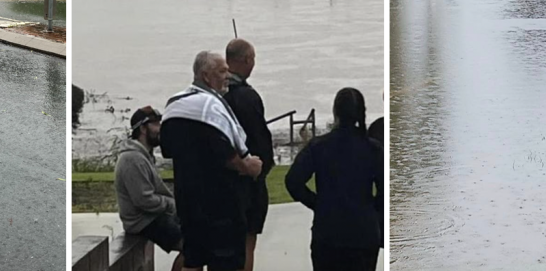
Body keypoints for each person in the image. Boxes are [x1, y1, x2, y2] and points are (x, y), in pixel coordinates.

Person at [160, 51, 263, 271]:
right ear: (206, 76)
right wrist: (251, 166)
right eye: (222, 71)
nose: (228, 75)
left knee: (193, 258)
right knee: (226, 261)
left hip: (187, 201)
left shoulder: (174, 105)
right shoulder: (211, 107)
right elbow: (230, 155)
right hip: (221, 205)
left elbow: (167, 150)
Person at [285, 88, 383, 271]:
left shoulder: (318, 146)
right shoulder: (373, 148)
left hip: (328, 232)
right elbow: (385, 190)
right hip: (364, 233)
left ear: (335, 112)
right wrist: (371, 209)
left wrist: (317, 203)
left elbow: (293, 181)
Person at [114, 106, 185, 271]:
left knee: (199, 233)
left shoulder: (143, 155)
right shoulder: (133, 159)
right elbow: (144, 200)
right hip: (143, 221)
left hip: (152, 216)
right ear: (143, 129)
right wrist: (171, 204)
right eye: (155, 124)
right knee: (193, 247)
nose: (160, 128)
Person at [223, 39, 273, 271]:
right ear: (246, 60)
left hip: (222, 178)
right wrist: (263, 168)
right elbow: (260, 138)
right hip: (248, 179)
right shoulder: (246, 97)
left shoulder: (216, 96)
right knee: (246, 243)